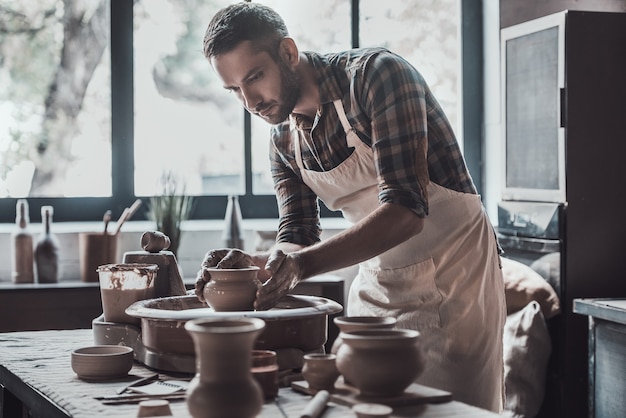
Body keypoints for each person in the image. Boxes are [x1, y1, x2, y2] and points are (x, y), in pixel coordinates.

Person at [195, 2, 505, 412]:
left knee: (444, 411)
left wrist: (301, 267)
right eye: (234, 89)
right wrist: (251, 268)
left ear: (288, 53)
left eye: (255, 77)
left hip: (454, 277)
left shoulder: (377, 77)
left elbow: (406, 210)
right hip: (377, 283)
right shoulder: (284, 142)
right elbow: (298, 235)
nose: (250, 101)